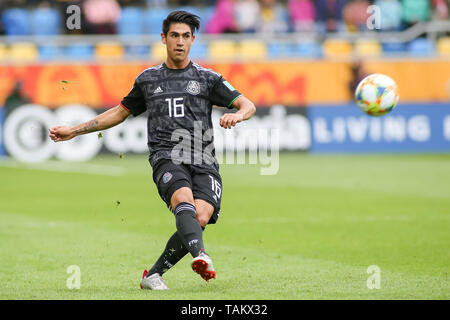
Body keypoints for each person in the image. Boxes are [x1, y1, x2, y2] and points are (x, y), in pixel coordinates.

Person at [48, 10, 256, 290]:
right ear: (163, 38)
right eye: (174, 36)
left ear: (193, 40)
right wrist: (75, 130)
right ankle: (201, 255)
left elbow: (248, 105)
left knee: (201, 216)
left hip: (203, 158)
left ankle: (153, 275)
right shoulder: (148, 79)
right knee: (183, 198)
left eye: (185, 36)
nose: (180, 42)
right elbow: (119, 113)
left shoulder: (208, 78)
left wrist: (238, 116)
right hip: (166, 157)